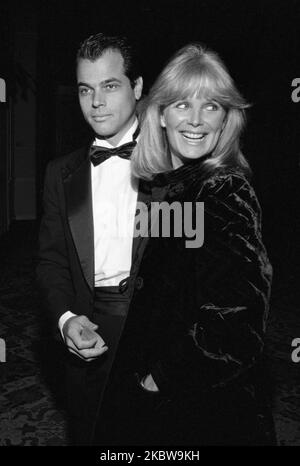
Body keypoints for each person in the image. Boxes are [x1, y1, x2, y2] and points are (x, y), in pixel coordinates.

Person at [116, 42, 274, 445]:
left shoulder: (223, 190)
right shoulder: (177, 186)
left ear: (226, 121)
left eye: (212, 107)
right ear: (161, 114)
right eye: (183, 104)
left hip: (201, 409)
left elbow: (236, 327)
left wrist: (159, 380)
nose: (198, 120)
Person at [37, 32, 144, 445]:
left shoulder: (177, 164)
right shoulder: (59, 175)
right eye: (86, 89)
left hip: (157, 330)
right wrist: (66, 320)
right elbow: (51, 262)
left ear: (136, 87)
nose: (96, 102)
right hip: (90, 326)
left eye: (110, 85)